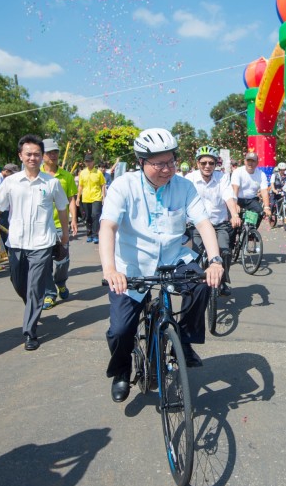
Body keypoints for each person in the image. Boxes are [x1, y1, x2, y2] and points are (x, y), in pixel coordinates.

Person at [99, 127, 224, 403]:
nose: (167, 170)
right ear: (141, 162)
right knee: (120, 330)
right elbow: (107, 227)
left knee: (203, 282)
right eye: (159, 164)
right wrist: (110, 270)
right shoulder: (124, 186)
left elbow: (203, 223)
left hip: (172, 258)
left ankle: (185, 340)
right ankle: (121, 370)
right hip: (131, 266)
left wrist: (215, 260)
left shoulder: (184, 186)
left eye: (171, 162)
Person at [0, 134, 69, 350]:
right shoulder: (10, 182)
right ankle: (33, 306)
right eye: (29, 154)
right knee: (19, 283)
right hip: (16, 243)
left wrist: (65, 236)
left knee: (34, 288)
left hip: (43, 243)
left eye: (37, 154)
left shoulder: (52, 183)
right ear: (20, 156)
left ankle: (30, 332)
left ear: (42, 157)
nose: (33, 158)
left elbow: (62, 209)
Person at [185, 145, 240, 296]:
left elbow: (228, 196)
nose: (207, 166)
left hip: (219, 223)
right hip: (197, 225)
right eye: (204, 163)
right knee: (194, 254)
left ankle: (221, 281)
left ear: (216, 164)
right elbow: (182, 200)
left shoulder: (222, 177)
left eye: (211, 163)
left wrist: (234, 214)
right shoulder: (190, 179)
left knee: (225, 252)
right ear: (198, 164)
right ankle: (195, 283)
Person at [40, 138, 79, 310]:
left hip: (60, 224)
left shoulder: (66, 176)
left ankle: (60, 282)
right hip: (41, 226)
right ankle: (49, 294)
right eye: (49, 152)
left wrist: (73, 220)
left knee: (62, 260)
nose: (53, 155)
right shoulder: (36, 175)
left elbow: (71, 199)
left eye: (55, 152)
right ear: (42, 155)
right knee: (45, 262)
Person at [231, 152, 271, 228]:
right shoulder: (238, 172)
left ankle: (251, 232)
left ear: (257, 163)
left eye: (253, 161)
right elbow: (235, 189)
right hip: (238, 199)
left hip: (251, 200)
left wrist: (266, 207)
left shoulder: (261, 174)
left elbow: (264, 191)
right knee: (234, 226)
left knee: (260, 212)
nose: (250, 163)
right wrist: (235, 204)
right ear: (245, 161)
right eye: (248, 160)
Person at [78, 153, 106, 243]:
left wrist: (103, 197)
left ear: (93, 162)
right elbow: (80, 186)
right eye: (86, 161)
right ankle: (89, 234)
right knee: (87, 217)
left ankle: (95, 235)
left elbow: (103, 185)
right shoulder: (82, 173)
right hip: (86, 198)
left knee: (95, 215)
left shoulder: (98, 173)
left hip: (96, 197)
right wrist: (78, 198)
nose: (88, 163)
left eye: (90, 161)